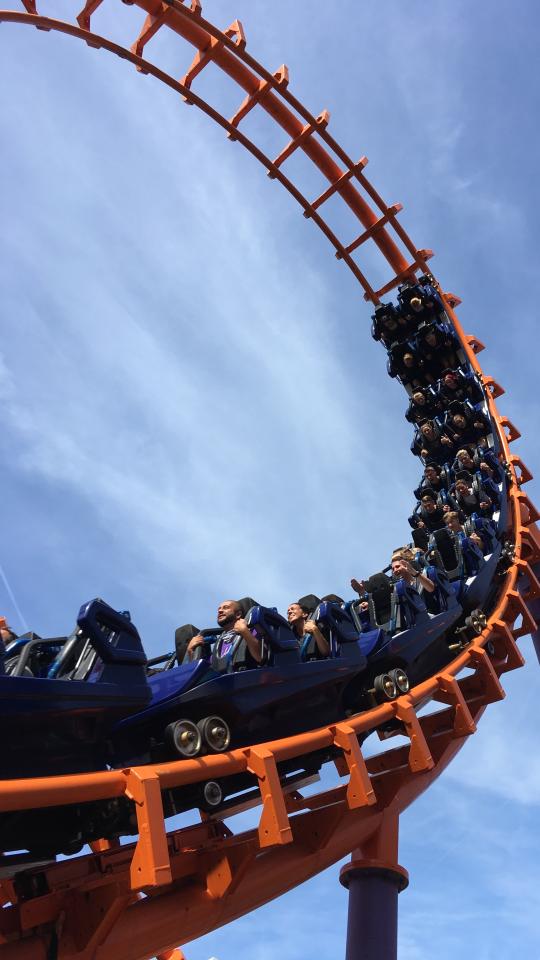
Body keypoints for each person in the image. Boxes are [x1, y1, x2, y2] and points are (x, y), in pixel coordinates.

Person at [187, 599, 263, 664]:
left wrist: (244, 631)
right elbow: (203, 674)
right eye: (219, 609)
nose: (220, 611)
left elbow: (260, 657)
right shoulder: (219, 644)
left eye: (225, 608)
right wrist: (190, 651)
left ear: (238, 614)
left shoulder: (251, 631)